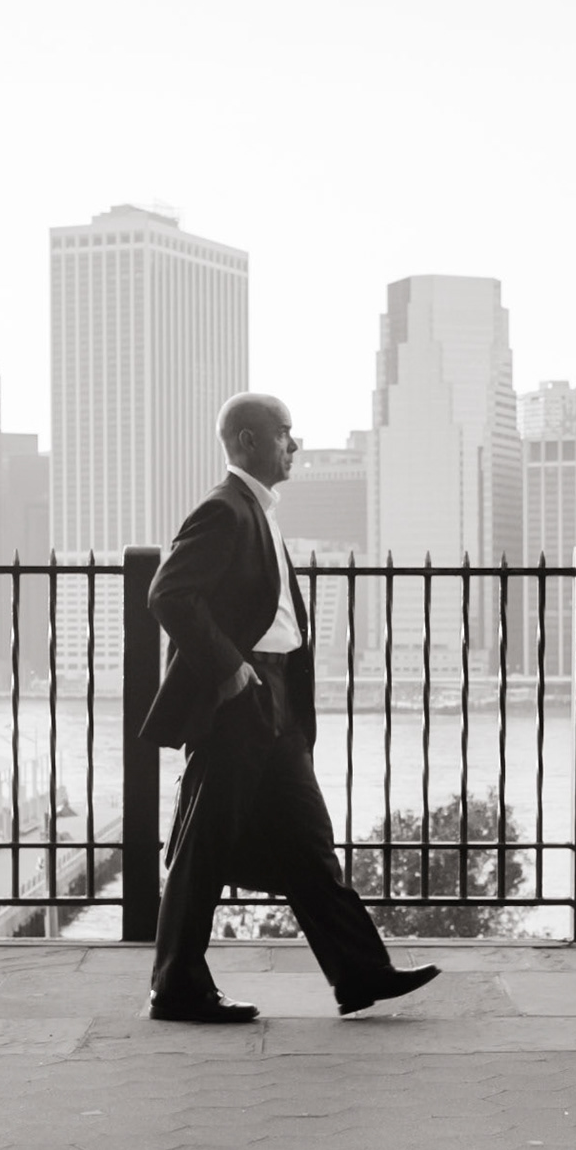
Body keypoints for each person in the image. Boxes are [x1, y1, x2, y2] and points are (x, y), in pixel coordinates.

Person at [140, 392, 438, 1021]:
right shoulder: (224, 510)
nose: (294, 444)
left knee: (308, 842)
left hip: (271, 699)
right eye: (285, 433)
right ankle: (176, 987)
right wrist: (229, 672)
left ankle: (361, 973)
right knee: (204, 846)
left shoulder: (258, 510)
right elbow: (169, 593)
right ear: (249, 440)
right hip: (242, 698)